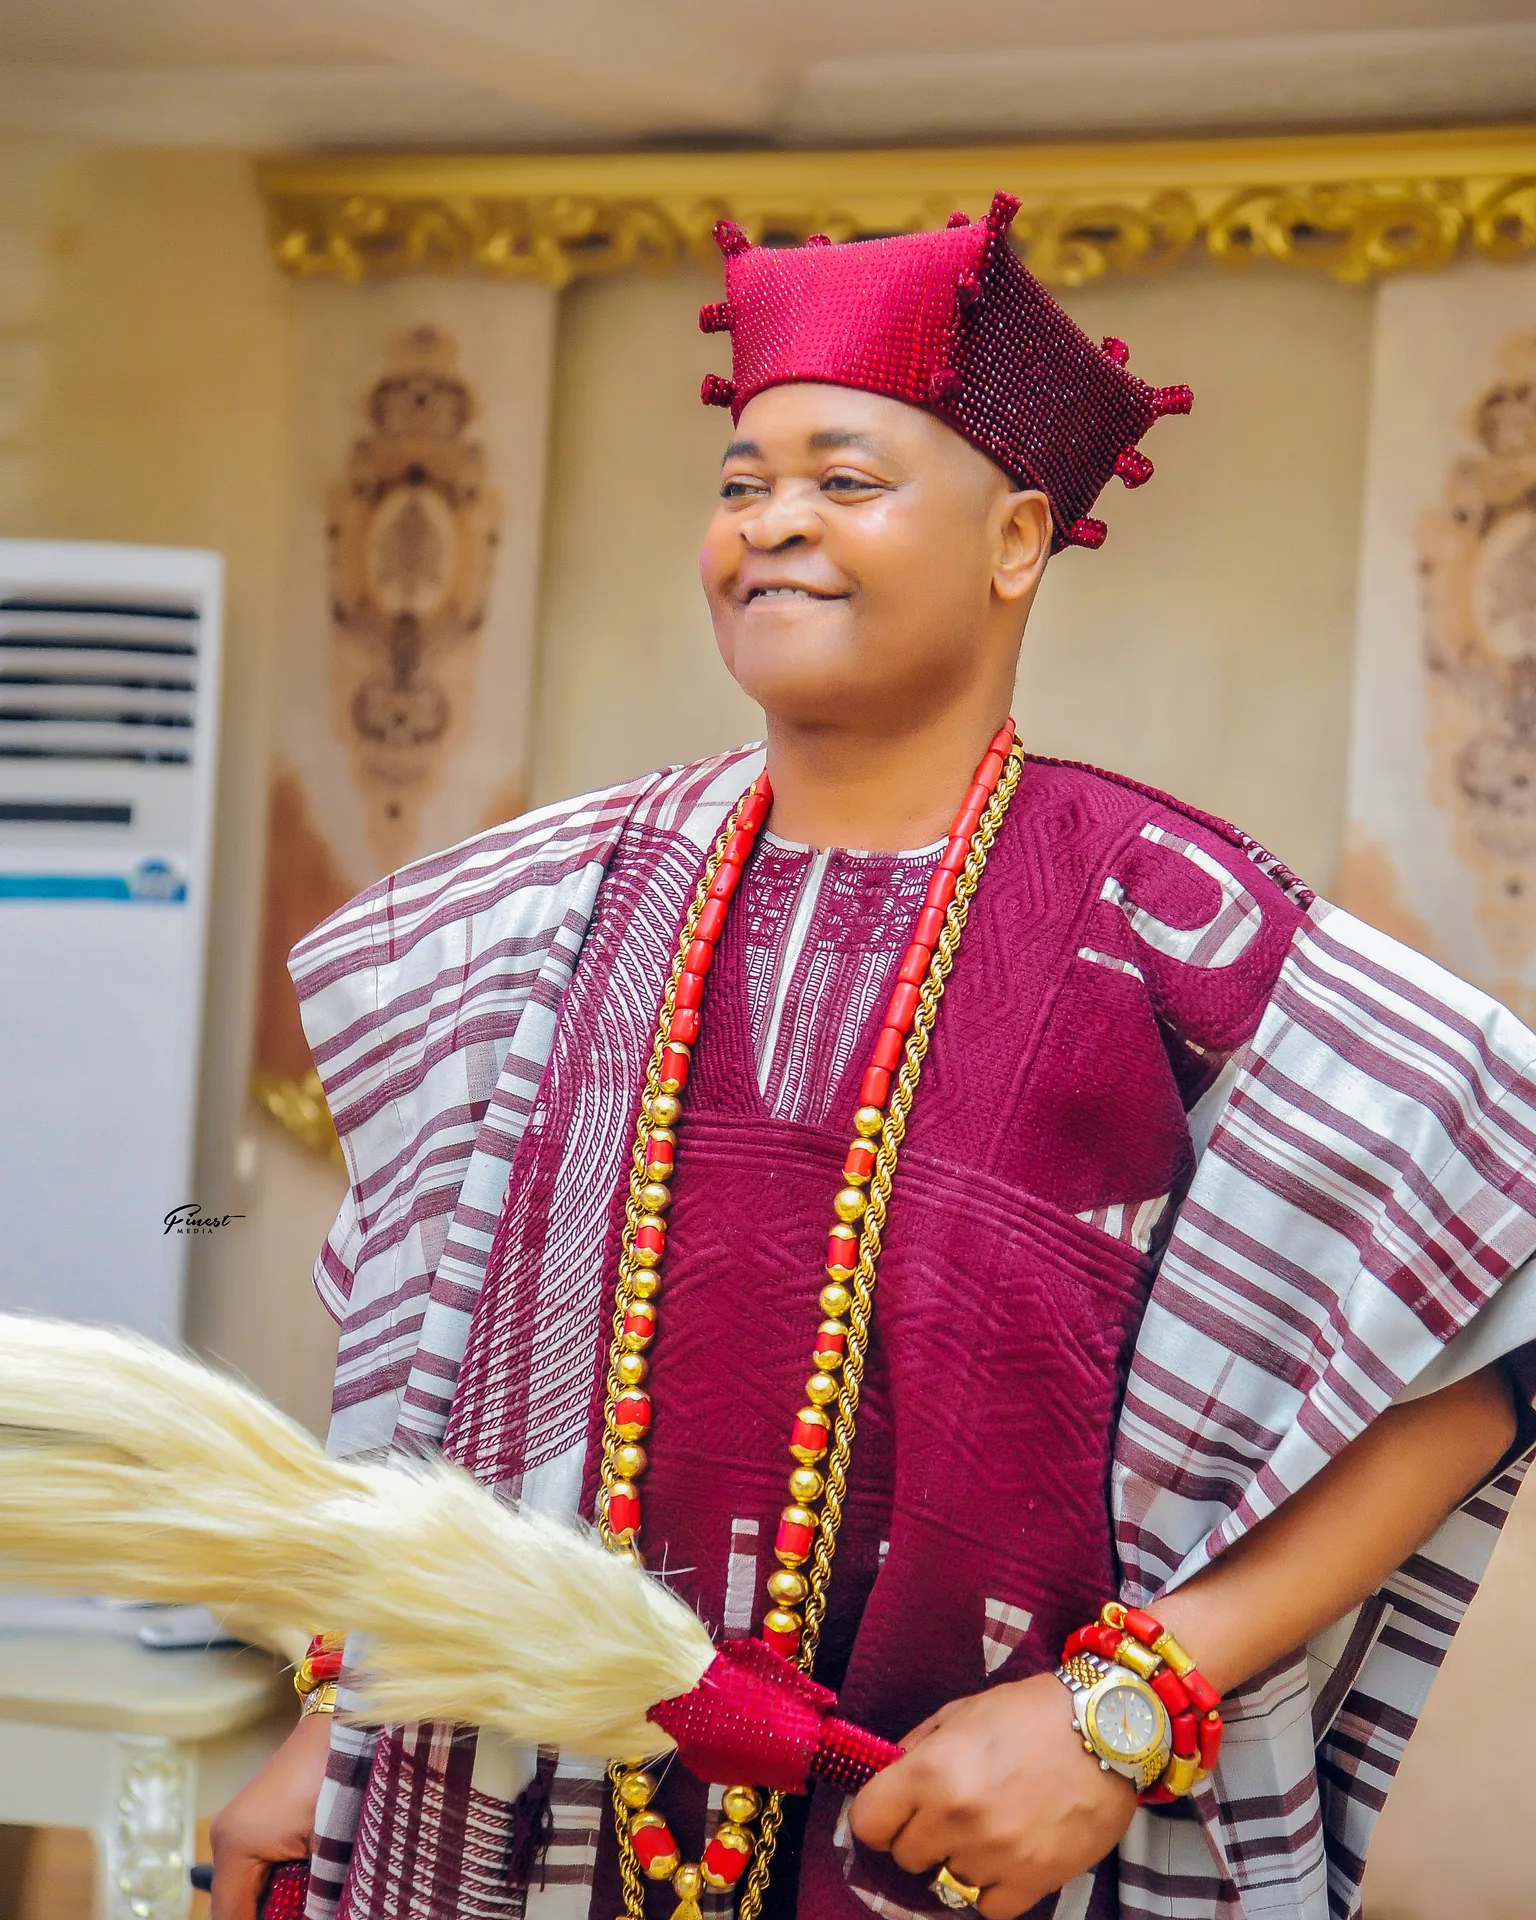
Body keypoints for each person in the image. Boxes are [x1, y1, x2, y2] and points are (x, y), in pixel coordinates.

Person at [212, 195, 1536, 1920]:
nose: (772, 524)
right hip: (533, 1822)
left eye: (844, 481)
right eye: (741, 483)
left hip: (980, 1847)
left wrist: (1127, 1708)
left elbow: (1489, 1314)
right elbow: (434, 1379)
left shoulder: (1166, 916)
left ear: (1016, 542)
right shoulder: (555, 905)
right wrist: (339, 1726)